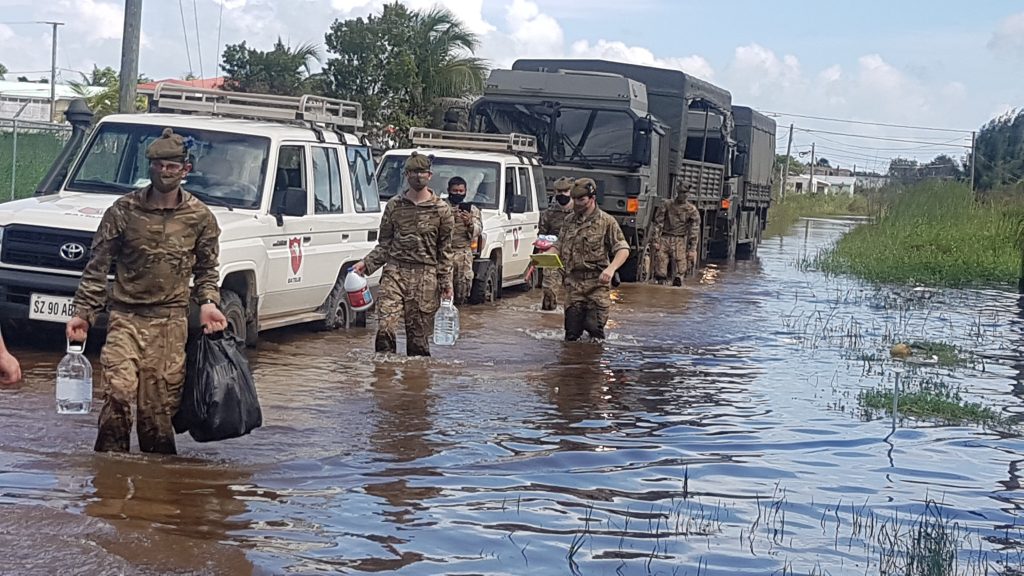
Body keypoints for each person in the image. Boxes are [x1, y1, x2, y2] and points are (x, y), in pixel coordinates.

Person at [66, 127, 228, 454]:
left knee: (157, 410)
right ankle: (109, 482)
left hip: (170, 323)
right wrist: (84, 314)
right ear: (149, 167)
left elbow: (207, 269)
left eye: (171, 167)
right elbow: (97, 266)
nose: (164, 172)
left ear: (186, 169)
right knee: (118, 393)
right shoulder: (122, 211)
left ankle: (156, 490)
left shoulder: (200, 218)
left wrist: (208, 304)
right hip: (125, 317)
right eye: (157, 166)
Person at [353, 152, 454, 356]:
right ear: (406, 175)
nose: (418, 177)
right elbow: (384, 244)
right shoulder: (394, 206)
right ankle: (383, 379)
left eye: (422, 172)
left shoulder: (441, 210)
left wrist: (446, 284)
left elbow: (445, 251)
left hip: (425, 276)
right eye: (413, 172)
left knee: (417, 340)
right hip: (395, 272)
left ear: (430, 175)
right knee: (385, 328)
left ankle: (415, 382)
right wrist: (366, 263)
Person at [556, 178, 630, 341]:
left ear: (592, 198)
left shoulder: (606, 222)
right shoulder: (569, 221)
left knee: (594, 332)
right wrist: (546, 255)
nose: (577, 203)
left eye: (581, 200)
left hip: (597, 285)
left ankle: (592, 365)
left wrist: (611, 269)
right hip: (573, 286)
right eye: (574, 199)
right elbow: (559, 245)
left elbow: (623, 249)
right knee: (571, 335)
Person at [652, 181, 701, 286]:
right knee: (661, 269)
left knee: (681, 269)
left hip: (679, 239)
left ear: (688, 194)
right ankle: (661, 285)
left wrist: (692, 249)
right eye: (680, 192)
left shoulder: (691, 210)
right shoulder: (667, 204)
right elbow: (658, 222)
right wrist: (656, 240)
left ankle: (677, 284)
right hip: (665, 237)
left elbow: (694, 230)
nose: (682, 195)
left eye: (684, 193)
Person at [538, 177, 574, 310]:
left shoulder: (581, 213)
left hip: (576, 259)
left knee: (577, 297)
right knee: (549, 291)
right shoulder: (549, 214)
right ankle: (547, 322)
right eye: (559, 191)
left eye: (565, 191)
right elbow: (541, 236)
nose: (562, 195)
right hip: (554, 257)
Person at [446, 176, 482, 305]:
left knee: (463, 289)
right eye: (455, 190)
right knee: (444, 290)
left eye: (461, 191)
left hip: (463, 255)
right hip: (445, 254)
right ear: (449, 190)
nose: (458, 194)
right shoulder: (441, 208)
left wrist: (469, 222)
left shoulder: (472, 210)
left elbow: (478, 231)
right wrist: (449, 218)